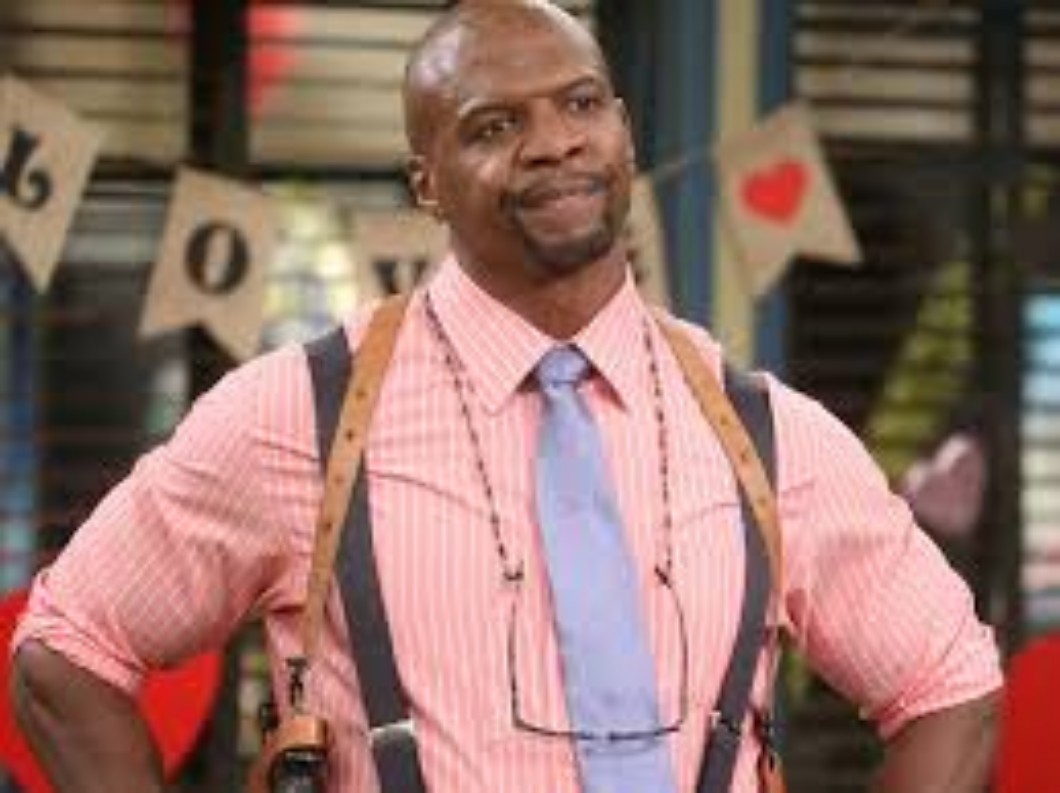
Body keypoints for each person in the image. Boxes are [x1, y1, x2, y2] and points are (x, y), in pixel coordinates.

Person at [9, 2, 1002, 793]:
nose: (553, 143)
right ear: (426, 182)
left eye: (581, 104)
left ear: (623, 130)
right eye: (494, 125)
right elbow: (65, 653)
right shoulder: (302, 415)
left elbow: (949, 685)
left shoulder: (763, 433)